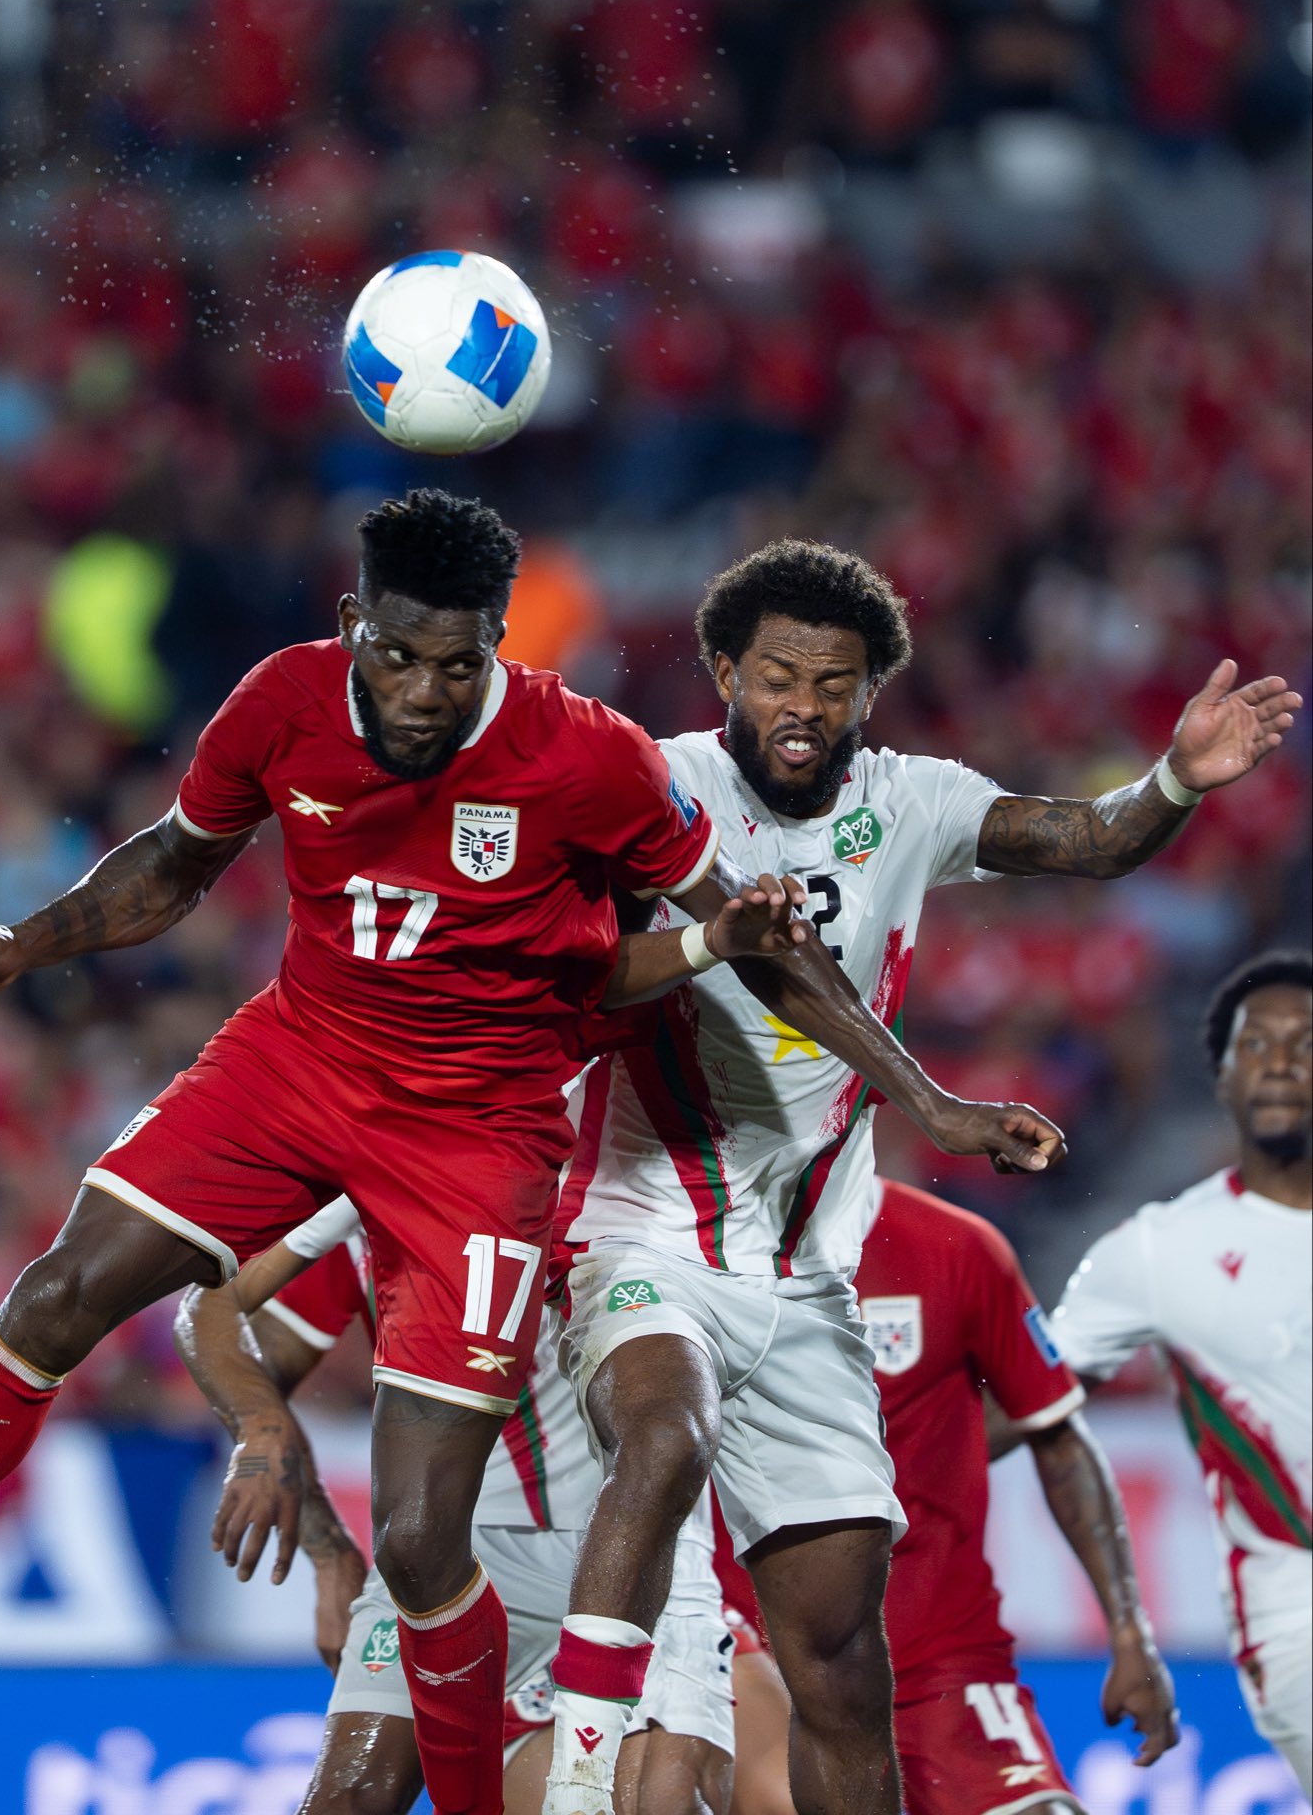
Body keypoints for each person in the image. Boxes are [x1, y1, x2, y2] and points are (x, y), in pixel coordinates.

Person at [0, 491, 998, 1809]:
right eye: (397, 653)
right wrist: (22, 945)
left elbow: (754, 940)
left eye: (459, 660)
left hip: (478, 1131)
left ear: (499, 641)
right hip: (299, 1059)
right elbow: (169, 867)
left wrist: (925, 1102)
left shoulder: (584, 756)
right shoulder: (282, 703)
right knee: (54, 1296)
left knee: (424, 1537)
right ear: (349, 624)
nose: (425, 691)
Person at [540, 538, 1300, 1815]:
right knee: (662, 1433)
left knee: (840, 1656)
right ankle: (576, 1771)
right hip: (645, 1227)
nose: (804, 706)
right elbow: (579, 973)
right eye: (778, 675)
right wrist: (934, 1102)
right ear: (725, 669)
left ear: (868, 696)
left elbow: (1087, 837)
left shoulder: (912, 797)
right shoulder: (652, 785)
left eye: (834, 684)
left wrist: (1175, 776)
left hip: (807, 1276)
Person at [176, 1197, 737, 1815]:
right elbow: (212, 1311)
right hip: (445, 1556)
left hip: (627, 1550)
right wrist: (329, 1549)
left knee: (652, 1801)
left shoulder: (606, 1153)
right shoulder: (366, 1187)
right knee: (348, 1797)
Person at [1051, 951, 1312, 1795]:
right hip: (1295, 1606)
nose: (1279, 1063)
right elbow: (1029, 1399)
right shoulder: (1157, 1250)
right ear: (1222, 1074)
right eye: (1255, 1045)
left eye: (1304, 1043)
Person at [859, 1176, 1178, 1815]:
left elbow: (1056, 1432)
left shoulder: (955, 1245)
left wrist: (1128, 1630)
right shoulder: (688, 1252)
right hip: (753, 1652)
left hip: (938, 1660)